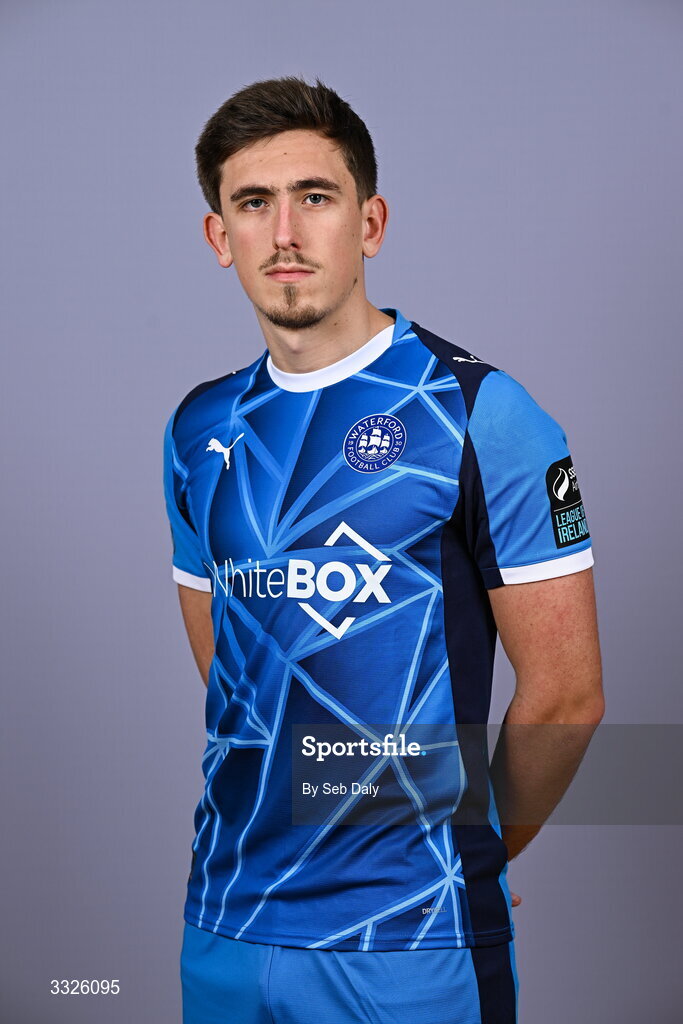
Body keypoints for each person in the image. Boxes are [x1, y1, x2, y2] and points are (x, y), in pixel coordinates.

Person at [163, 75, 604, 1024]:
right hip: (226, 926)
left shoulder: (486, 415)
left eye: (314, 198)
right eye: (253, 203)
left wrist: (469, 846)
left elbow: (567, 697)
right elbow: (235, 661)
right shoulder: (200, 428)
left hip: (406, 946)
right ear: (219, 236)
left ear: (370, 222)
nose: (284, 232)